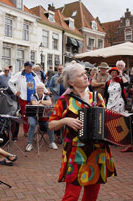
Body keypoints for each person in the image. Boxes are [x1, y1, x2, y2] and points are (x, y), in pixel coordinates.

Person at [49, 62, 116, 201]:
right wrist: (65, 121)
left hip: (97, 152)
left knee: (92, 196)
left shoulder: (97, 97)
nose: (86, 77)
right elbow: (51, 125)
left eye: (85, 74)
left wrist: (129, 128)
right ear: (71, 82)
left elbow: (107, 122)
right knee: (71, 196)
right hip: (75, 152)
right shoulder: (64, 101)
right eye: (81, 75)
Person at [8, 61, 46, 140]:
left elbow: (39, 84)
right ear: (25, 67)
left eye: (31, 67)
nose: (31, 68)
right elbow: (10, 82)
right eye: (29, 67)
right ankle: (26, 131)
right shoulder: (19, 74)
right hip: (23, 98)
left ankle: (31, 129)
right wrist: (15, 91)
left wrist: (46, 91)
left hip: (33, 98)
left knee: (33, 114)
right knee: (25, 115)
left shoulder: (34, 74)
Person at [25, 83, 58, 152]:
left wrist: (40, 101)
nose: (41, 90)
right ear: (36, 90)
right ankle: (29, 143)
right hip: (33, 116)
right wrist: (42, 103)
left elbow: (49, 102)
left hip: (43, 117)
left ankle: (52, 142)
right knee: (32, 124)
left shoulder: (46, 96)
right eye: (39, 88)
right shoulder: (33, 96)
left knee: (50, 124)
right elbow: (34, 103)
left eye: (42, 88)